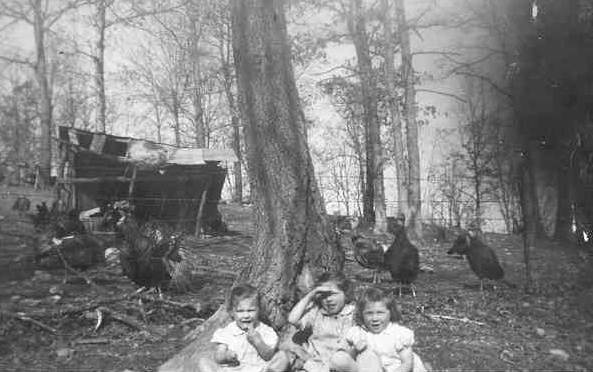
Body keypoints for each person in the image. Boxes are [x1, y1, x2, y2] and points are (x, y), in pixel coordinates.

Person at [267, 272, 355, 372]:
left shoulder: (353, 314)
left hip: (338, 367)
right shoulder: (316, 313)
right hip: (313, 365)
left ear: (345, 294)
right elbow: (292, 319)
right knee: (282, 357)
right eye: (323, 296)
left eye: (333, 294)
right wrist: (311, 294)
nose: (328, 300)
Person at [333, 286, 428, 372]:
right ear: (362, 314)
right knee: (343, 359)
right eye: (369, 313)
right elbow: (349, 359)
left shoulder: (398, 334)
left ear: (390, 313)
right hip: (368, 368)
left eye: (380, 313)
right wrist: (355, 349)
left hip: (396, 369)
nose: (375, 318)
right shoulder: (358, 332)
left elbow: (407, 364)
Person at [198, 284, 279, 372]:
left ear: (259, 310)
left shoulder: (266, 331)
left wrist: (258, 341)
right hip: (232, 370)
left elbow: (268, 356)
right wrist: (226, 356)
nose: (246, 315)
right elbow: (219, 355)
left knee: (282, 357)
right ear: (232, 312)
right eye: (240, 311)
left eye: (251, 310)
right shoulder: (228, 331)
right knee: (204, 362)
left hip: (258, 369)